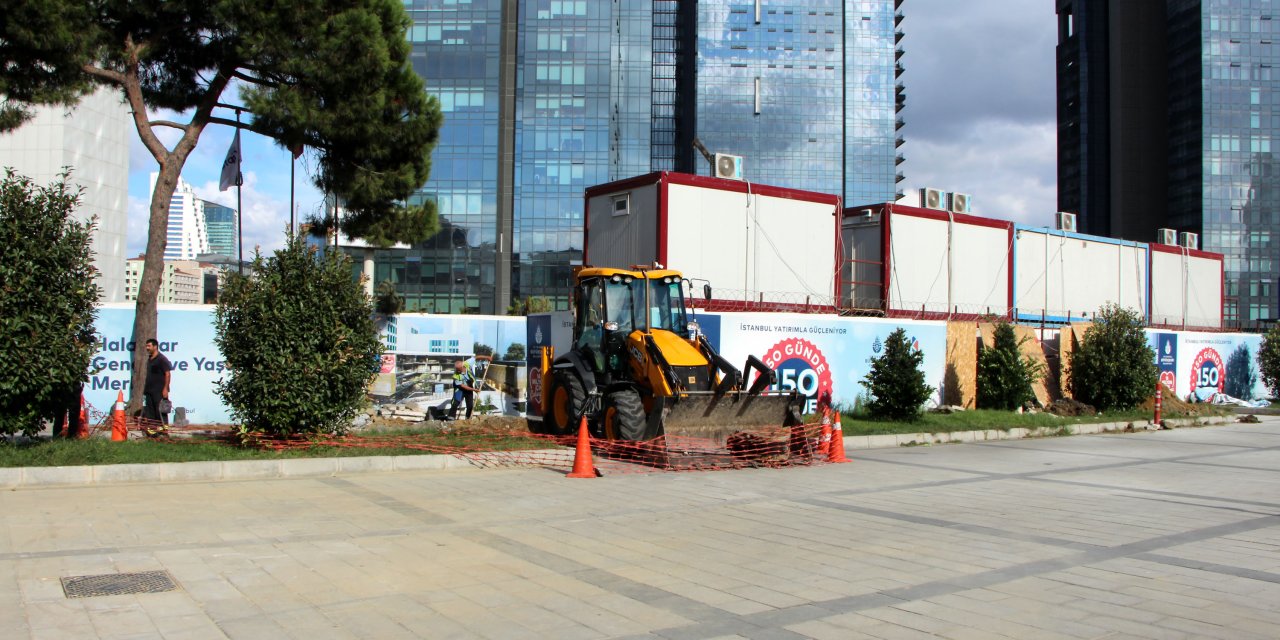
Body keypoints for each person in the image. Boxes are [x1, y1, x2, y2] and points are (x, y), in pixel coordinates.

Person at [143, 338, 173, 425]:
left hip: (159, 391)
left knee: (160, 411)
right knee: (150, 412)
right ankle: (153, 432)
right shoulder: (150, 359)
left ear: (155, 346)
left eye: (149, 346)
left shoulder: (162, 359)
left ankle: (163, 432)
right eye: (146, 346)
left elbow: (167, 374)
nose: (147, 348)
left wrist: (165, 389)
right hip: (149, 390)